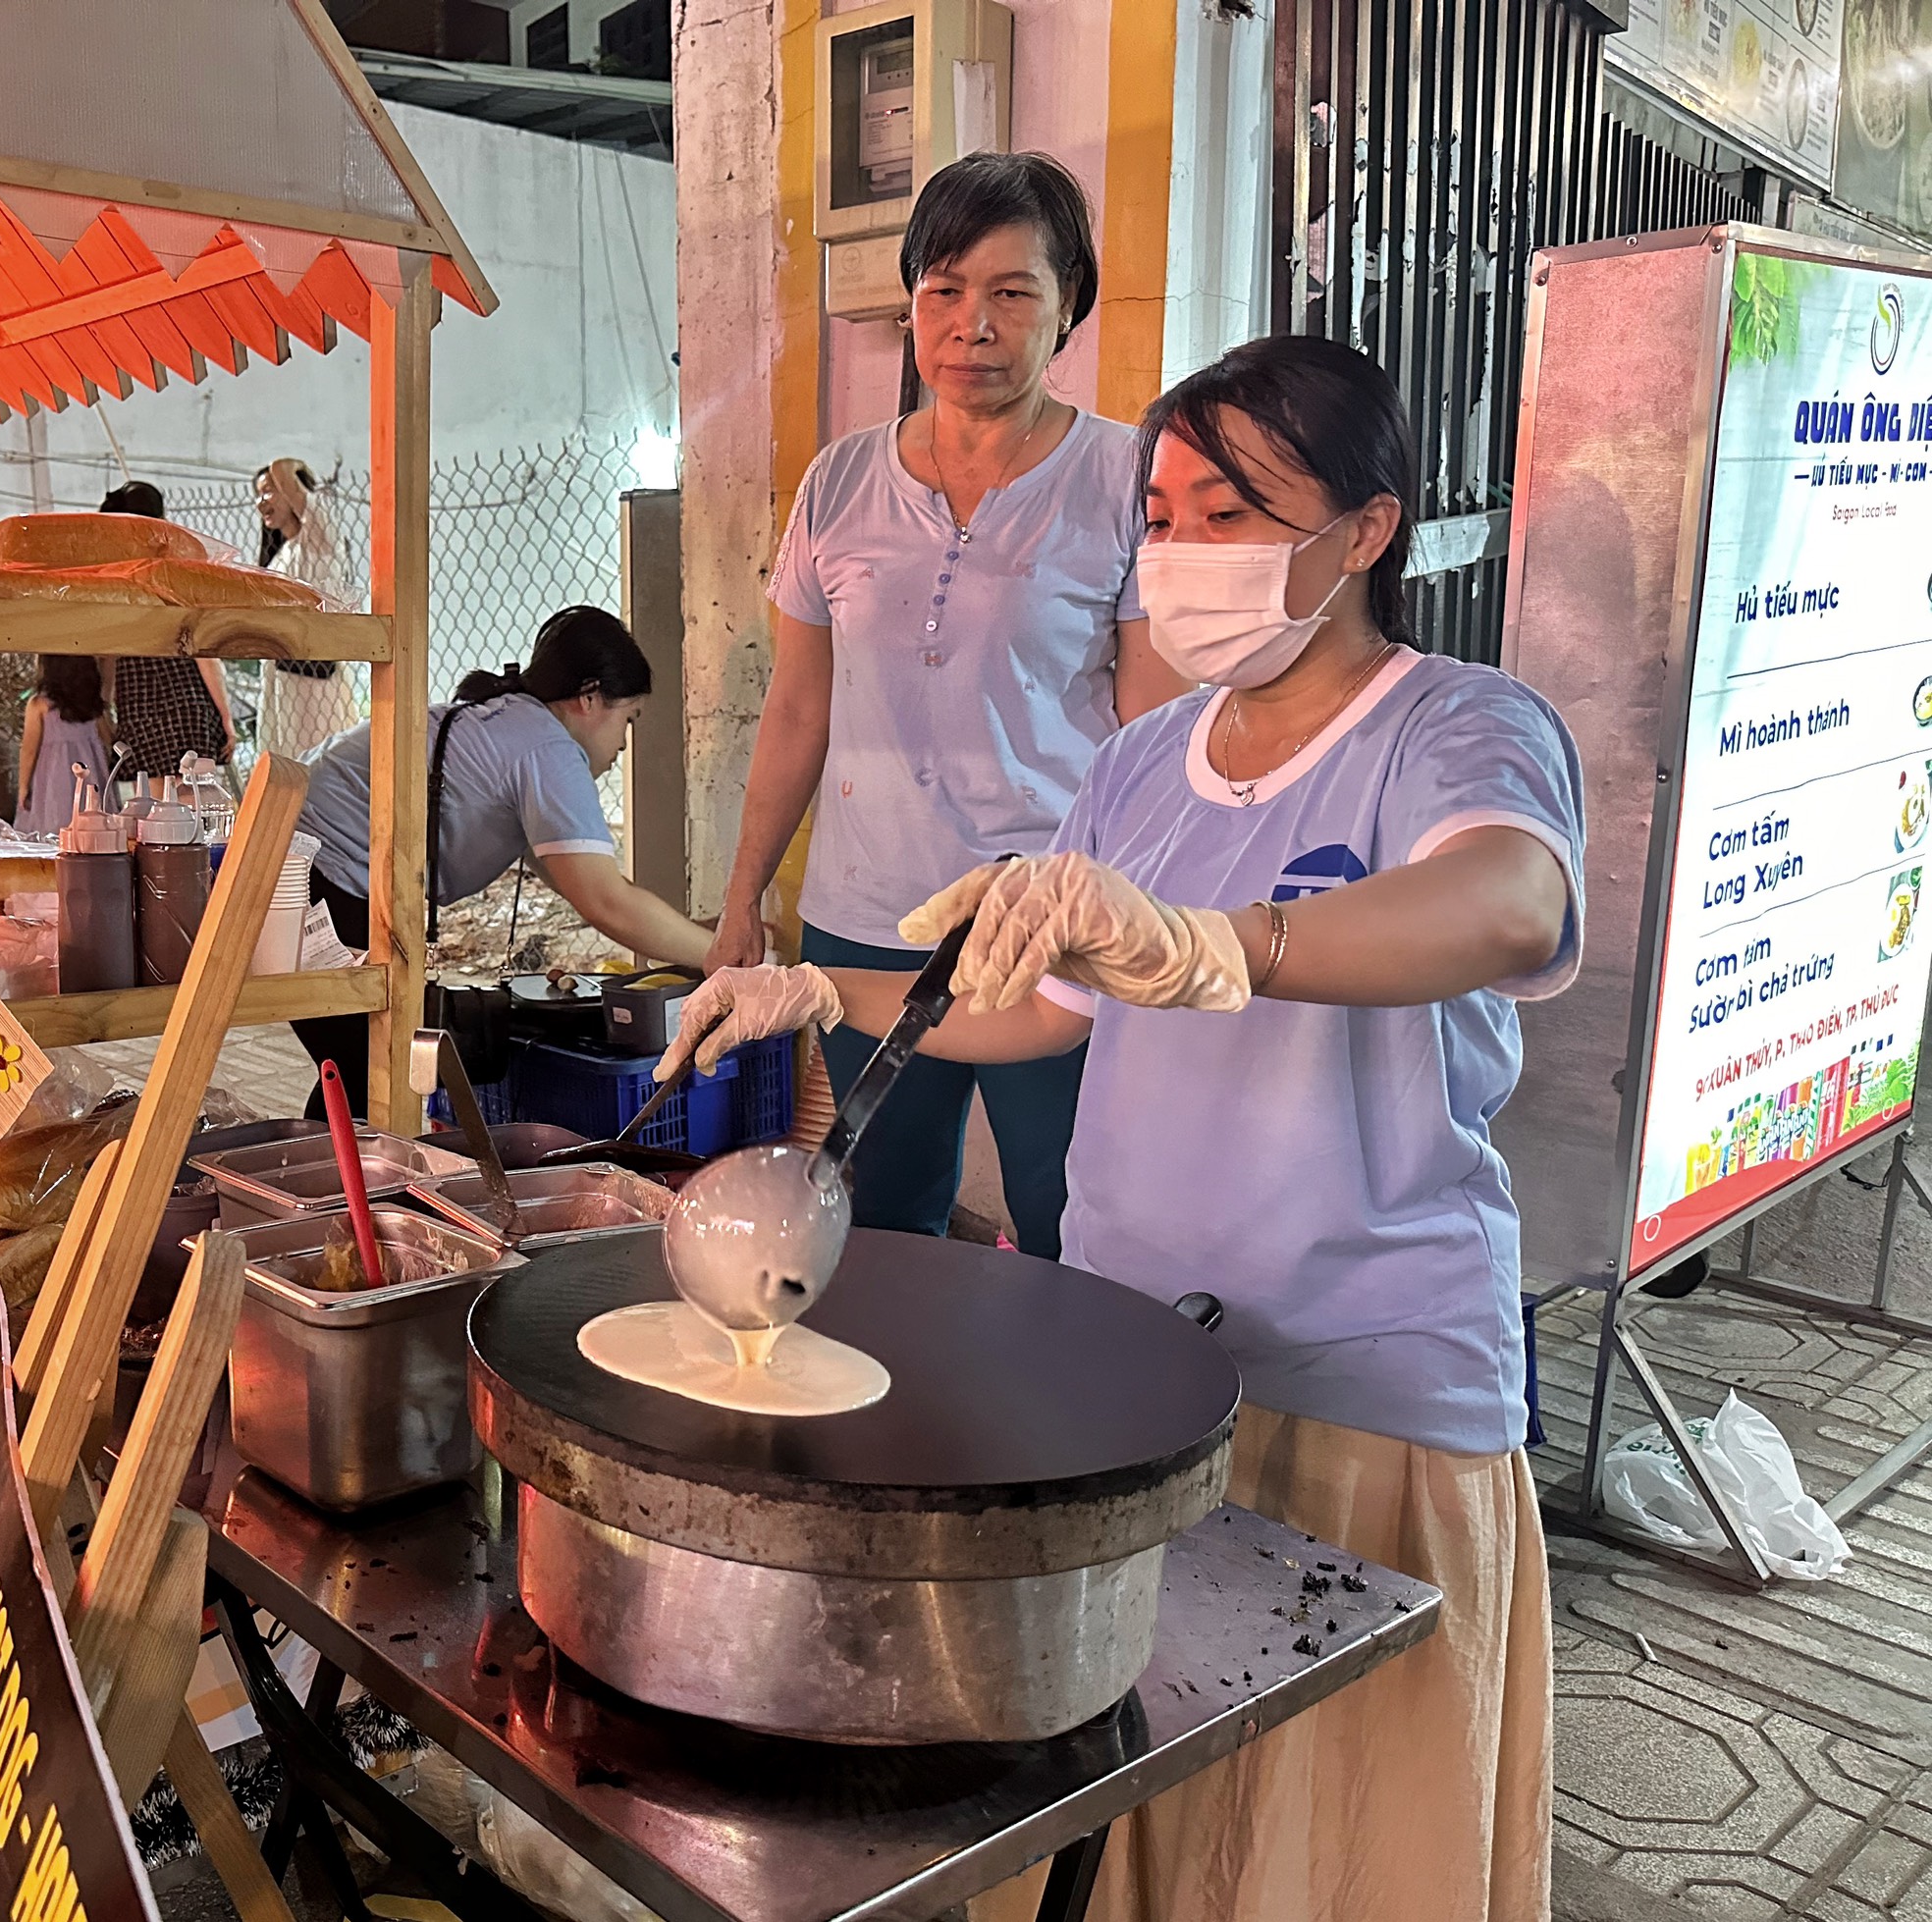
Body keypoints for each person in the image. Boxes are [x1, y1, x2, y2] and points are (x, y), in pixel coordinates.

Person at [665, 336, 1579, 1922]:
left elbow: (1509, 901)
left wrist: (1235, 944)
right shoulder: (1141, 764)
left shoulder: (1460, 724)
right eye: (1160, 512)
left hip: (1366, 1380)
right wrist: (819, 985)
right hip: (1132, 1377)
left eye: (1230, 508)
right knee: (1125, 1802)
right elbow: (1038, 1007)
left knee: (1328, 1834)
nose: (1180, 551)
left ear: (1365, 530)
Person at [703, 151, 1180, 1258]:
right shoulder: (837, 482)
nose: (974, 324)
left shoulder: (1125, 479)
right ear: (911, 302)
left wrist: (1147, 912)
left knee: (1075, 1215)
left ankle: (1072, 1428)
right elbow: (795, 711)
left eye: (1013, 293)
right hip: (865, 915)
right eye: (945, 290)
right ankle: (897, 1423)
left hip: (1051, 921)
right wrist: (742, 895)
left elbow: (1156, 726)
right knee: (879, 1219)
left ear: (1068, 309)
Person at [291, 605, 711, 1115]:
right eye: (628, 719)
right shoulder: (547, 749)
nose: (623, 743)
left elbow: (591, 885)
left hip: (300, 869)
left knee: (361, 1067)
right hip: (318, 879)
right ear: (590, 696)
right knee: (380, 1067)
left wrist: (696, 937)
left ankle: (325, 1185)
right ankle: (338, 1190)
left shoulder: (513, 724)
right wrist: (721, 955)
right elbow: (607, 903)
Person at [97, 481, 237, 786]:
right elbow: (204, 653)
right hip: (185, 705)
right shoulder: (177, 570)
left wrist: (105, 707)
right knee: (193, 809)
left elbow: (106, 652)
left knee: (150, 812)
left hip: (137, 706)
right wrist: (226, 717)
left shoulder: (111, 577)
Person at [253, 457, 358, 759]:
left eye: (269, 491)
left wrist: (295, 467)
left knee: (317, 761)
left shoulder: (319, 538)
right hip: (282, 676)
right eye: (258, 495)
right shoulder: (282, 553)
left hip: (314, 678)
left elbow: (282, 468)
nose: (261, 503)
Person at [13, 654, 115, 832]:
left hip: (52, 775)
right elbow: (107, 737)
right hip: (91, 774)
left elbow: (29, 750)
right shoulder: (91, 703)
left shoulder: (39, 705)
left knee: (53, 820)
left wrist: (23, 787)